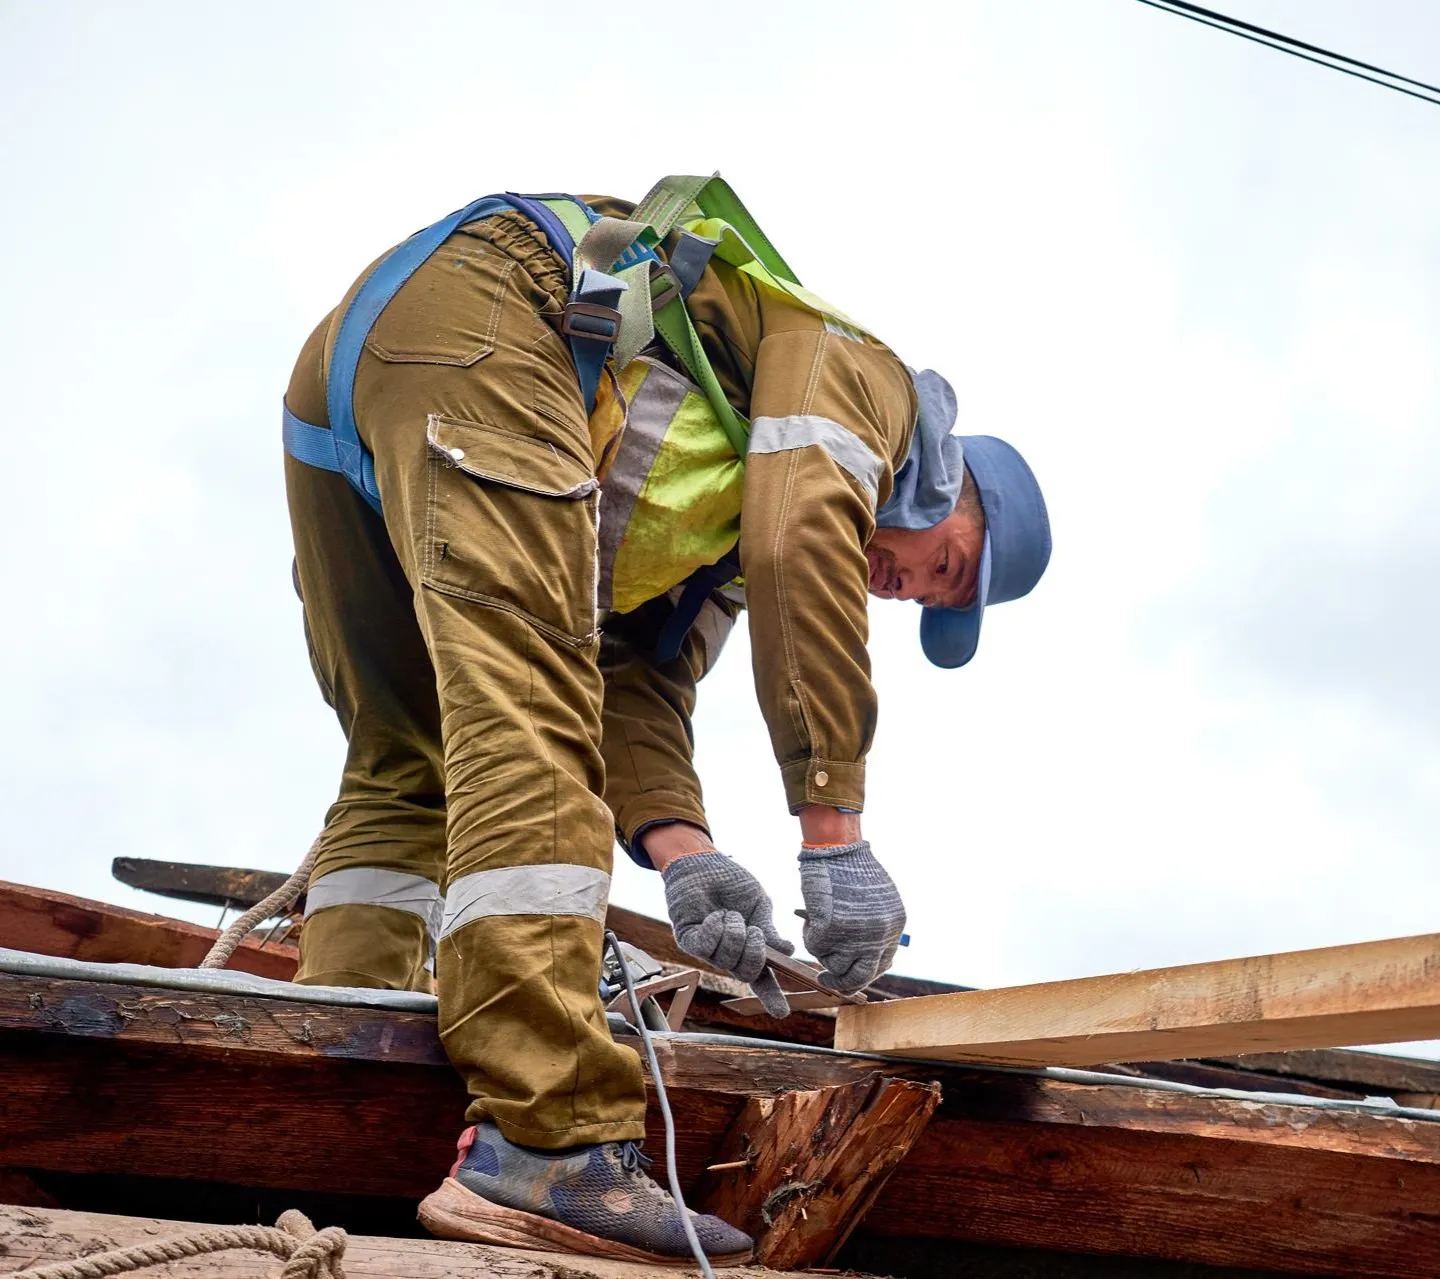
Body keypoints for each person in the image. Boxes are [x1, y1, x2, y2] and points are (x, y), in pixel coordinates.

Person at [280, 178, 1051, 1264]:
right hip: (502, 313)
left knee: (407, 760)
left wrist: (687, 858)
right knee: (531, 730)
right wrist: (835, 835)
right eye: (948, 570)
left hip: (361, 381)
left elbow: (636, 675)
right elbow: (800, 544)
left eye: (934, 604)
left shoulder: (718, 535)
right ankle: (551, 1145)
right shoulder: (867, 382)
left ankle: (321, 1069)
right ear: (954, 489)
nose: (915, 591)